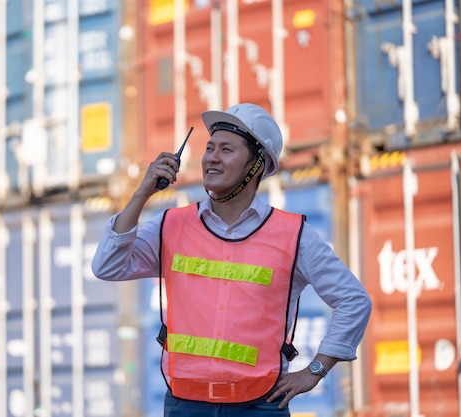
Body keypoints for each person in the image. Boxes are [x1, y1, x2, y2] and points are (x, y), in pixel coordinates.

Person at [92, 103, 372, 416]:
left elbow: (354, 301)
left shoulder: (294, 235)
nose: (211, 157)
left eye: (226, 149)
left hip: (260, 406)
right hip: (185, 405)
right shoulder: (171, 225)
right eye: (209, 148)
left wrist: (316, 370)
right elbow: (107, 266)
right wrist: (141, 194)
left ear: (257, 165)